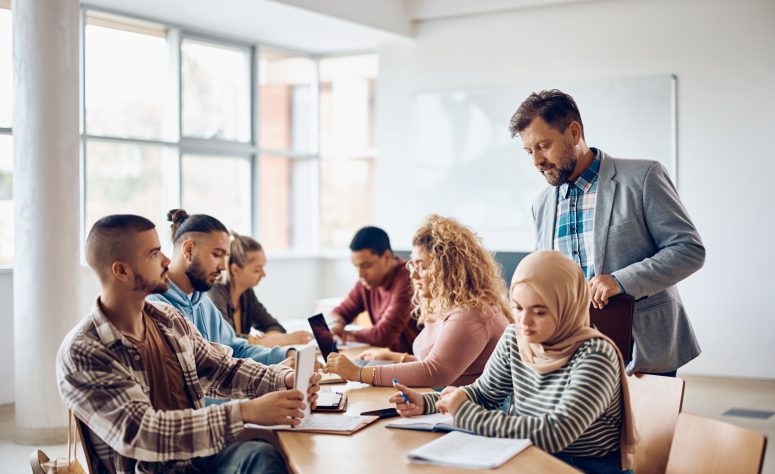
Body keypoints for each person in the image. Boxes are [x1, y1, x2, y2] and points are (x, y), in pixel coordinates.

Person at [56, 214, 320, 472]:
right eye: (154, 253)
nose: (167, 260)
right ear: (122, 270)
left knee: (262, 457)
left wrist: (283, 378)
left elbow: (222, 368)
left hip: (195, 459)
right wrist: (245, 412)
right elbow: (144, 433)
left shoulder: (167, 318)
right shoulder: (83, 351)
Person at [511, 89, 704, 375]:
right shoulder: (541, 204)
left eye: (544, 146)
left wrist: (620, 281)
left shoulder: (643, 177)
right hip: (571, 355)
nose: (537, 161)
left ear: (574, 133)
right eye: (530, 151)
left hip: (642, 351)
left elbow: (688, 250)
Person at [390, 250, 637, 473]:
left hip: (586, 467)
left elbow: (556, 433)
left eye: (539, 311)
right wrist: (429, 403)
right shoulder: (514, 338)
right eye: (518, 308)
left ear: (567, 306)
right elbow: (484, 394)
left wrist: (464, 413)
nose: (524, 322)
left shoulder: (596, 355)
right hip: (529, 456)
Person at [325, 215, 512, 388]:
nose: (413, 276)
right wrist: (397, 358)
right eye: (413, 266)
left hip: (470, 409)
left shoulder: (471, 313)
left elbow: (435, 372)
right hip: (445, 399)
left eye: (421, 267)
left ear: (448, 269)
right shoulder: (445, 304)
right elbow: (441, 363)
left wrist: (357, 373)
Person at [146, 209, 289, 366]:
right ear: (189, 250)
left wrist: (286, 356)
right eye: (216, 254)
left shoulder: (203, 302)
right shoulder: (155, 306)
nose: (223, 267)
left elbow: (235, 349)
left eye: (225, 257)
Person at [208, 231, 312, 347]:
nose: (263, 274)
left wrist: (268, 340)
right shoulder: (215, 294)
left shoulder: (246, 293)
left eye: (263, 267)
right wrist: (282, 340)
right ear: (235, 270)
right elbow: (226, 341)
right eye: (257, 270)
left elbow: (273, 325)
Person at [329, 226, 419, 353]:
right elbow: (339, 312)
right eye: (356, 266)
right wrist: (336, 324)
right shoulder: (367, 283)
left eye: (366, 265)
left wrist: (346, 335)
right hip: (392, 358)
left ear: (387, 257)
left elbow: (383, 335)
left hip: (415, 361)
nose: (360, 274)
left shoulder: (408, 279)